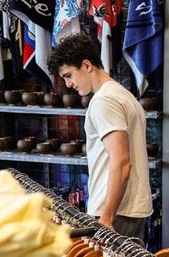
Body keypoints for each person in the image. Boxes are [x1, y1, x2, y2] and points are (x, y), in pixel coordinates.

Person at [47, 34, 152, 242]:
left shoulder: (104, 100)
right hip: (127, 211)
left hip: (116, 214)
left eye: (69, 75)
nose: (68, 84)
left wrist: (106, 217)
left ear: (86, 65)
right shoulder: (123, 94)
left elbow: (122, 162)